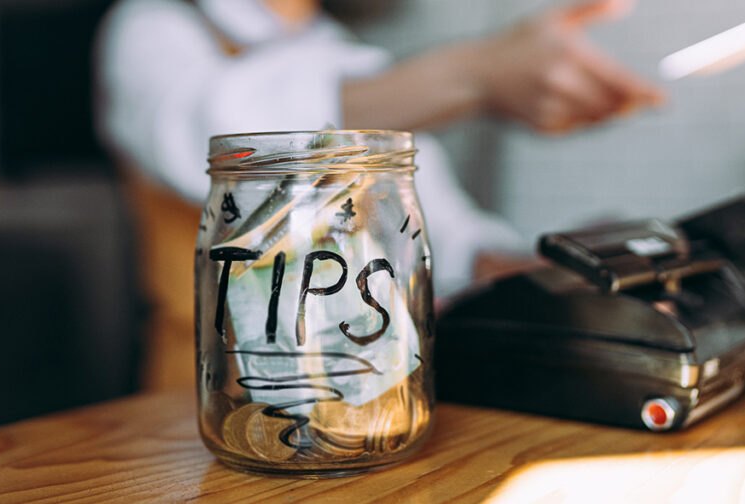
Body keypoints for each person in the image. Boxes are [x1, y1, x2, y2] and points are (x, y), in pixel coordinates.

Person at [94, 0, 662, 388]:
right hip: (206, 395)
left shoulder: (342, 51)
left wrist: (542, 277)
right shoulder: (155, 24)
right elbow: (225, 141)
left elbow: (439, 233)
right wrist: (471, 76)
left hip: (367, 397)